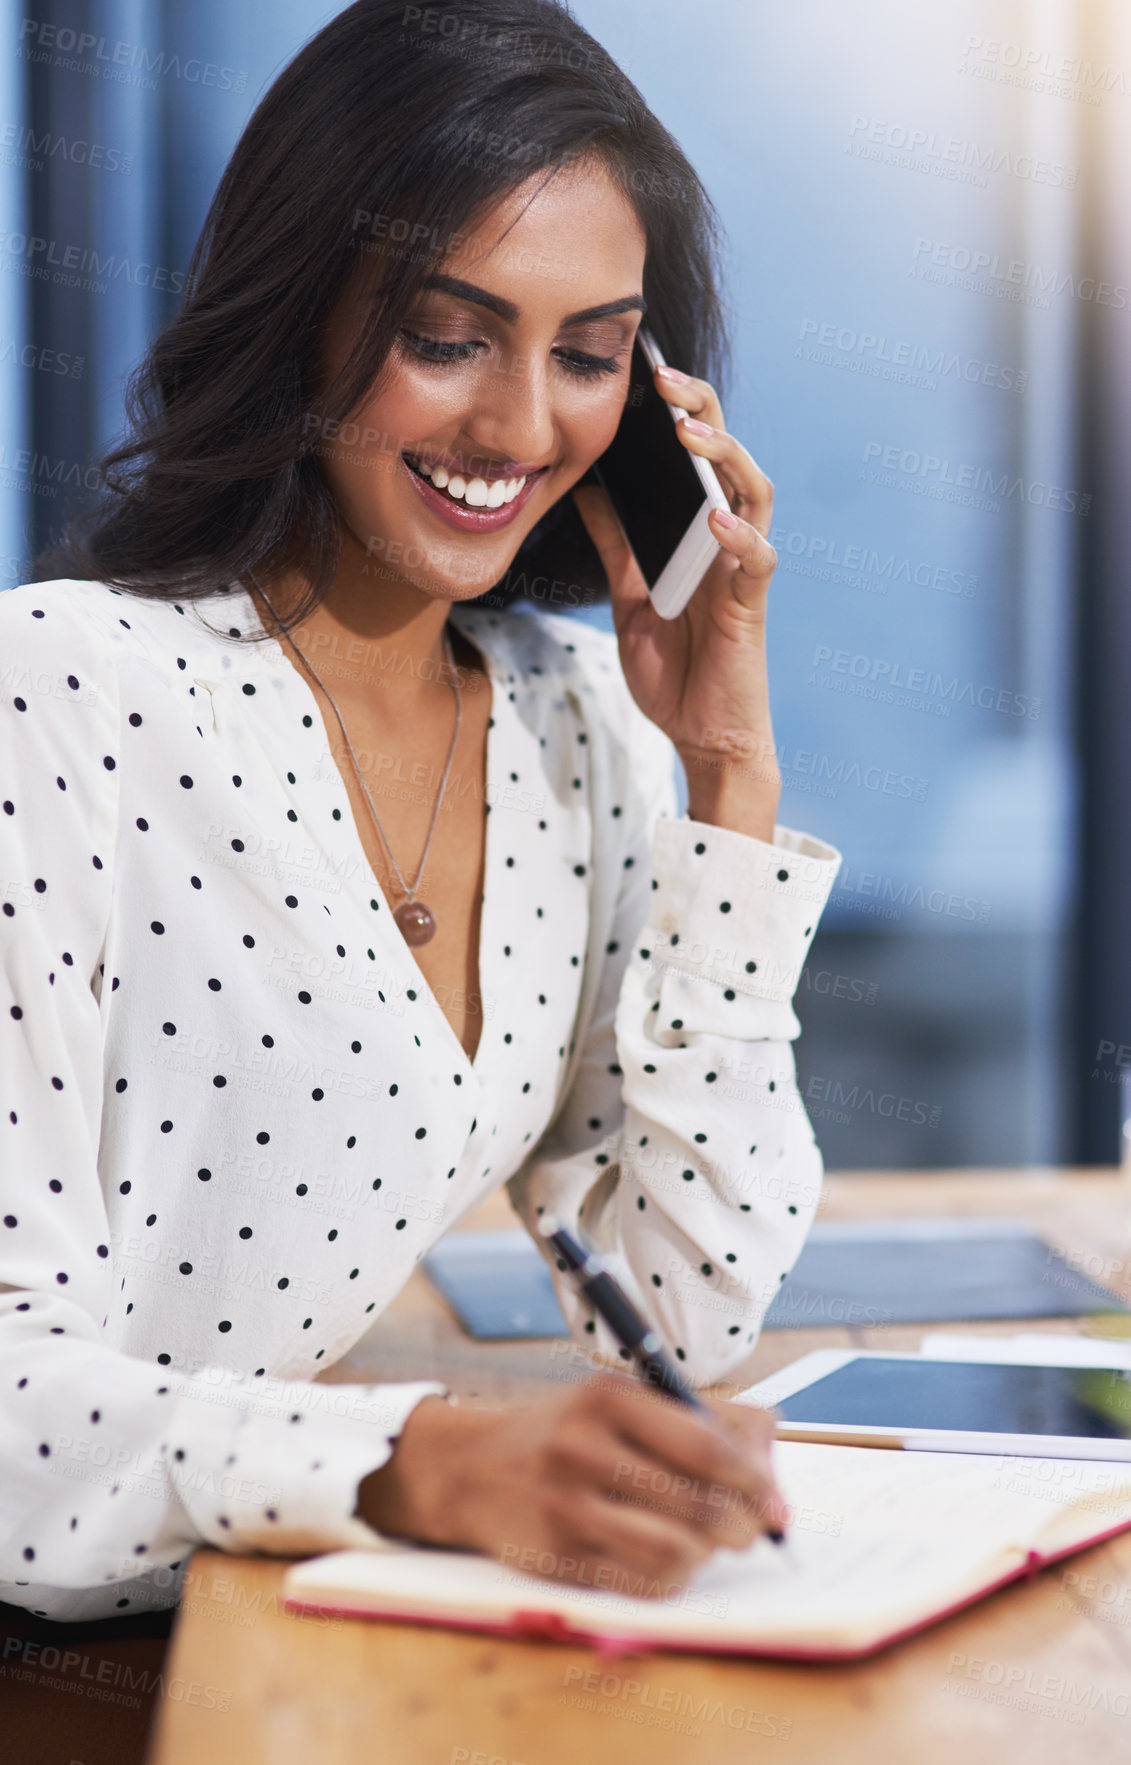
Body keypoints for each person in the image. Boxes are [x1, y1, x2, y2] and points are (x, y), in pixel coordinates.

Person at [0, 0, 840, 1624]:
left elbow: (683, 1306)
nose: (521, 429)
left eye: (590, 355)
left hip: (275, 1613)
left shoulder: (578, 725)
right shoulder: (63, 700)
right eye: (448, 337)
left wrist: (731, 774)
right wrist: (421, 1462)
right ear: (303, 312)